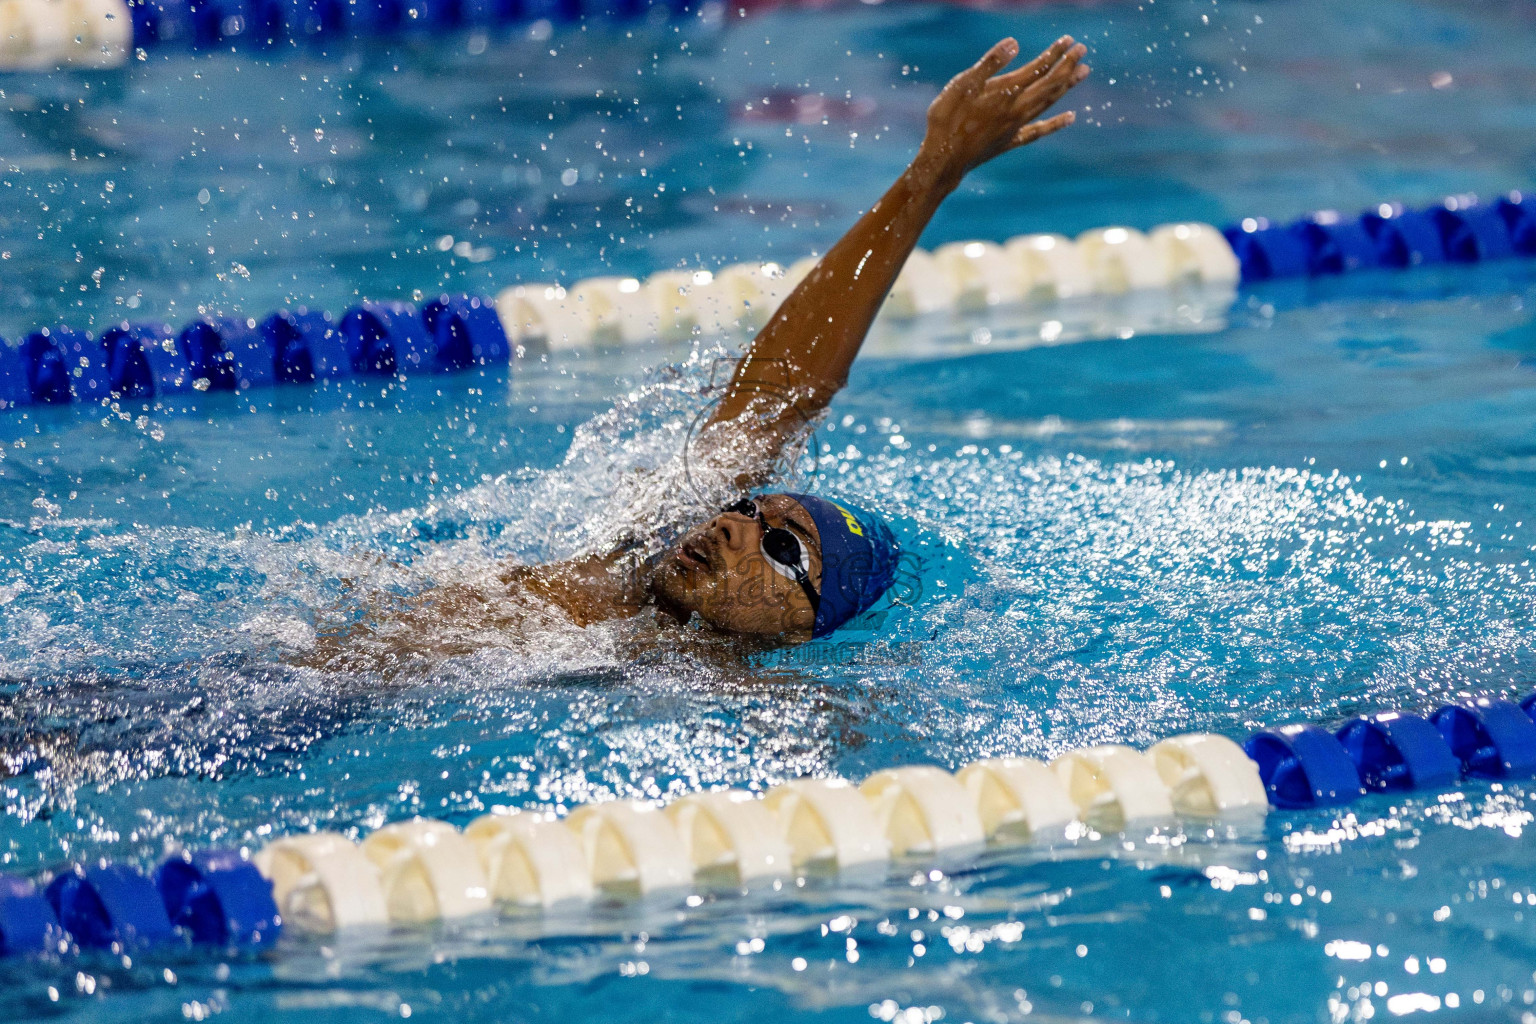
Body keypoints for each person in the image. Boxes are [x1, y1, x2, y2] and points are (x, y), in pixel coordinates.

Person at [314, 36, 1090, 667]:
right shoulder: (625, 563)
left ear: (801, 629)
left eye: (782, 547)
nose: (732, 525)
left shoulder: (726, 687)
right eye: (748, 509)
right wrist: (930, 175)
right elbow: (786, 387)